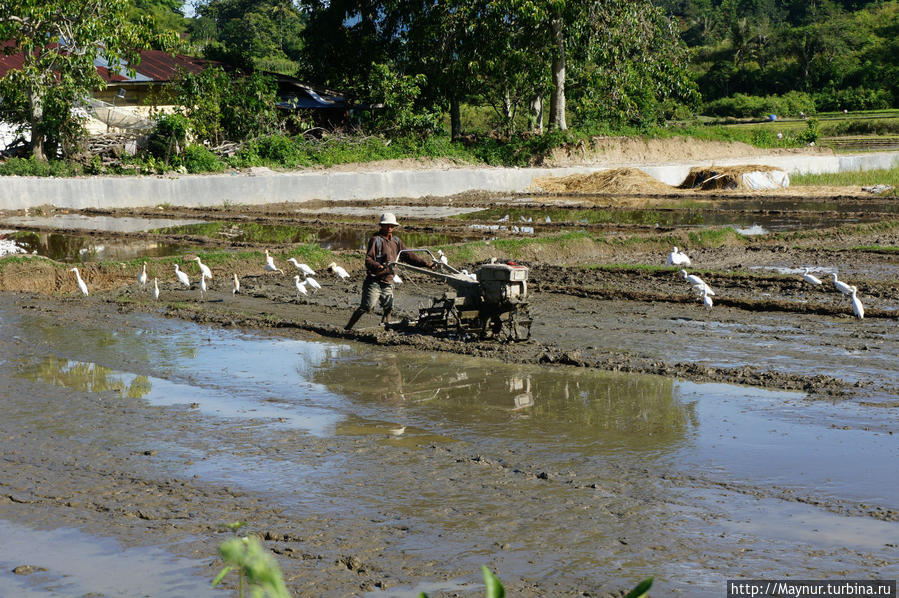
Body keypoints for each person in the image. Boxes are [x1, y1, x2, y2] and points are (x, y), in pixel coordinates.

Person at [344, 212, 437, 330]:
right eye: (387, 226)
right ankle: (348, 328)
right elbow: (368, 259)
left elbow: (409, 256)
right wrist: (378, 266)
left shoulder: (396, 242)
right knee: (367, 306)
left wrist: (426, 264)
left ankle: (385, 328)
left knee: (388, 307)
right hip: (374, 280)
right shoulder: (375, 240)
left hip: (388, 280)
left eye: (392, 226)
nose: (389, 228)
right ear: (381, 226)